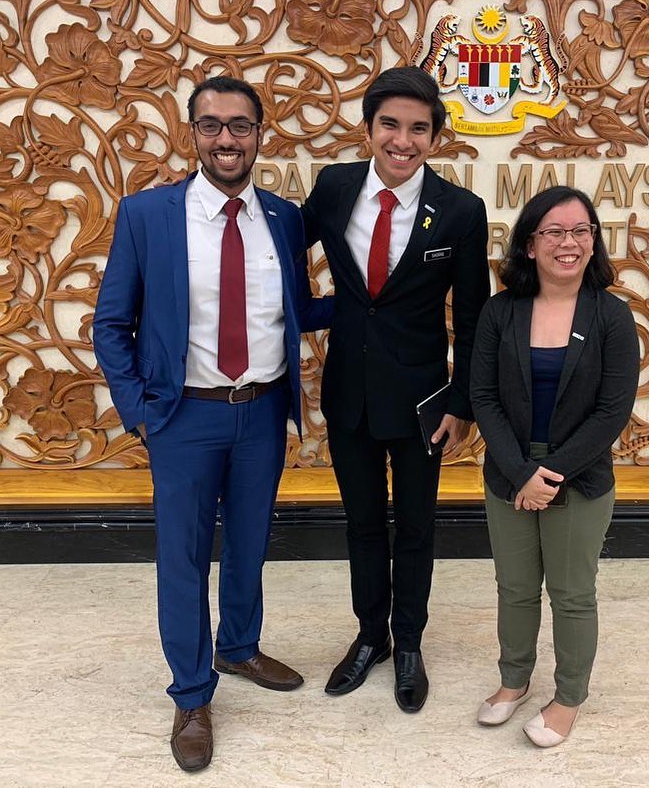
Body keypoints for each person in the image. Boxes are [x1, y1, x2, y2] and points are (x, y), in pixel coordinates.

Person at [93, 76, 332, 771]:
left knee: (251, 542)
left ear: (261, 134)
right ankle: (193, 693)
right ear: (191, 132)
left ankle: (240, 645)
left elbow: (298, 307)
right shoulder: (147, 216)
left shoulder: (284, 218)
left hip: (261, 410)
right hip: (183, 417)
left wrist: (374, 301)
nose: (225, 138)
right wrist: (140, 411)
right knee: (184, 557)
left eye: (239, 125)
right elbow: (112, 323)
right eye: (210, 125)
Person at [301, 66, 490, 713]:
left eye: (417, 128)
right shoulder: (332, 187)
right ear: (368, 128)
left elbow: (471, 317)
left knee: (414, 527)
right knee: (360, 525)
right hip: (347, 393)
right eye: (390, 125)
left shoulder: (461, 211)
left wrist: (461, 403)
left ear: (434, 137)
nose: (401, 140)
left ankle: (407, 641)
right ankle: (368, 637)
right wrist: (307, 306)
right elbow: (276, 244)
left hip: (421, 404)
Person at [469, 186, 639, 747]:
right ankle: (513, 681)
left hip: (580, 477)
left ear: (593, 241)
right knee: (514, 588)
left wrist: (551, 475)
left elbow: (612, 411)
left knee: (571, 593)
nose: (568, 243)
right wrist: (521, 474)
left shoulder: (612, 316)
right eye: (554, 232)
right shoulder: (500, 311)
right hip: (509, 475)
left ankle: (568, 697)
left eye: (580, 231)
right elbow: (484, 397)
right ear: (530, 244)